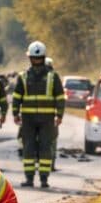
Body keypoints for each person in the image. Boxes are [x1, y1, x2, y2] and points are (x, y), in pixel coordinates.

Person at [12, 41, 64, 188]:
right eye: (34, 58)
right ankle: (29, 178)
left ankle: (44, 179)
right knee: (28, 147)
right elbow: (17, 96)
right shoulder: (23, 76)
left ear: (43, 58)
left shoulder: (53, 76)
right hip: (28, 119)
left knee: (45, 147)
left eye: (38, 58)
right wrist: (15, 113)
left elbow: (60, 97)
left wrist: (59, 115)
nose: (36, 61)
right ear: (30, 58)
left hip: (47, 119)